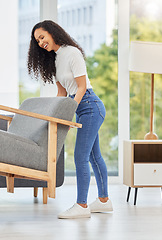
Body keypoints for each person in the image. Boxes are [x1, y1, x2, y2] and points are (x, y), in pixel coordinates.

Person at [27, 20, 113, 219]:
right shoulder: (55, 59)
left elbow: (81, 87)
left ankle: (82, 205)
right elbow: (62, 91)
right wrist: (55, 113)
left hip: (90, 106)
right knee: (94, 156)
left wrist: (69, 110)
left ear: (52, 32)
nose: (40, 43)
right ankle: (104, 201)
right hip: (81, 108)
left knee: (80, 156)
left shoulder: (72, 52)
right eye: (37, 40)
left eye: (42, 37)